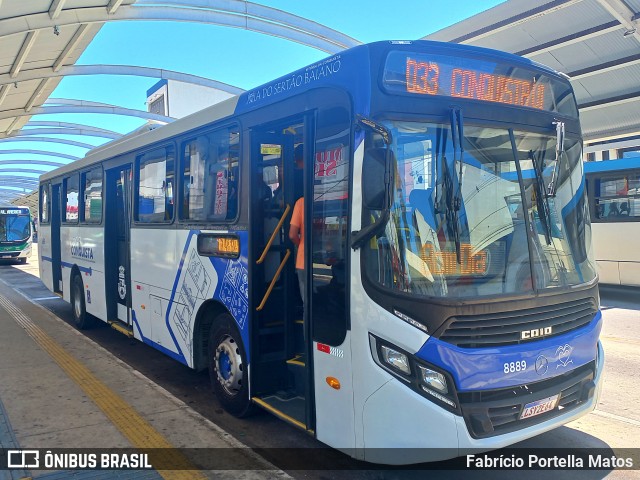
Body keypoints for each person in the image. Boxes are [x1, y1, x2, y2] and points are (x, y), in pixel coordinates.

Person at [289, 196, 305, 302]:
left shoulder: (301, 202)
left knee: (307, 302)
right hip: (329, 256)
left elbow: (292, 235)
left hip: (304, 259)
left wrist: (301, 245)